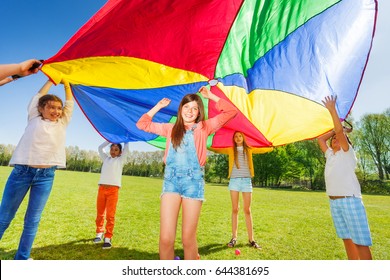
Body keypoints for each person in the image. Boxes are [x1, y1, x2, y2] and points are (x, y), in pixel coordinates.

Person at [136, 86, 238, 260]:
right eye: (186, 107)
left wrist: (211, 95)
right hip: (171, 183)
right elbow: (142, 124)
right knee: (166, 239)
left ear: (199, 113)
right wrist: (158, 106)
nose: (190, 111)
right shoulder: (170, 129)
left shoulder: (205, 127)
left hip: (193, 184)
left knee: (188, 240)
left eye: (194, 108)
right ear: (180, 109)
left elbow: (231, 111)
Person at [0, 79, 73, 260]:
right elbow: (37, 96)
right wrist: (51, 79)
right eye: (51, 107)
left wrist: (67, 85)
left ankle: (22, 259)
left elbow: (70, 104)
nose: (56, 111)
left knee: (32, 221)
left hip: (46, 176)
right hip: (22, 172)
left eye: (58, 108)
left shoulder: (62, 122)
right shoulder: (33, 117)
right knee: (4, 217)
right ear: (40, 109)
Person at [317, 95, 372, 260]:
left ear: (346, 142)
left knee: (360, 244)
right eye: (333, 139)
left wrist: (332, 110)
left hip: (350, 201)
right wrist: (334, 131)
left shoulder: (347, 154)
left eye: (338, 139)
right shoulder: (330, 155)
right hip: (334, 202)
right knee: (347, 241)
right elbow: (320, 139)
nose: (335, 140)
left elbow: (340, 133)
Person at [215, 132, 265, 250]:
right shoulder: (230, 149)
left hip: (246, 182)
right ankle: (234, 238)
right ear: (233, 138)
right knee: (235, 209)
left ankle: (251, 239)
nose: (238, 138)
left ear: (244, 137)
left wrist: (273, 145)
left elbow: (263, 149)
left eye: (240, 136)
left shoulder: (249, 149)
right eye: (236, 136)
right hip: (234, 182)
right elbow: (217, 148)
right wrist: (204, 143)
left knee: (247, 210)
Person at [93, 140, 129, 249]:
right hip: (102, 189)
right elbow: (100, 148)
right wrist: (109, 139)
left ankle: (108, 237)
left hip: (113, 190)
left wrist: (126, 139)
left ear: (120, 152)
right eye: (112, 149)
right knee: (100, 213)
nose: (113, 151)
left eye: (116, 150)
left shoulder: (121, 160)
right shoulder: (106, 159)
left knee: (110, 215)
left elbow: (127, 149)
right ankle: (99, 233)